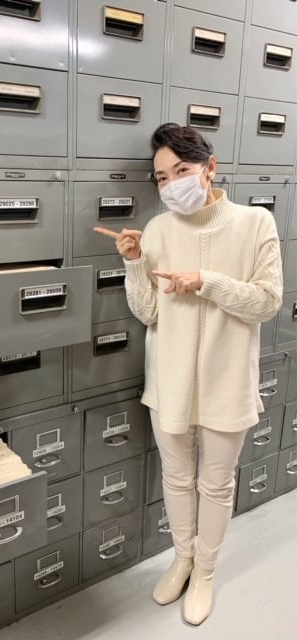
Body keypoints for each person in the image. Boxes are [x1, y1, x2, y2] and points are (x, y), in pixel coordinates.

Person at [94, 123, 283, 625]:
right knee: (177, 479)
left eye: (181, 170)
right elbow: (149, 312)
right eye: (162, 177)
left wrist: (206, 281)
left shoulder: (255, 223)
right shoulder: (158, 230)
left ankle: (205, 572)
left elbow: (267, 302)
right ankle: (181, 558)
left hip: (227, 380)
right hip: (169, 380)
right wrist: (135, 262)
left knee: (216, 485)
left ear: (209, 167)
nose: (172, 184)